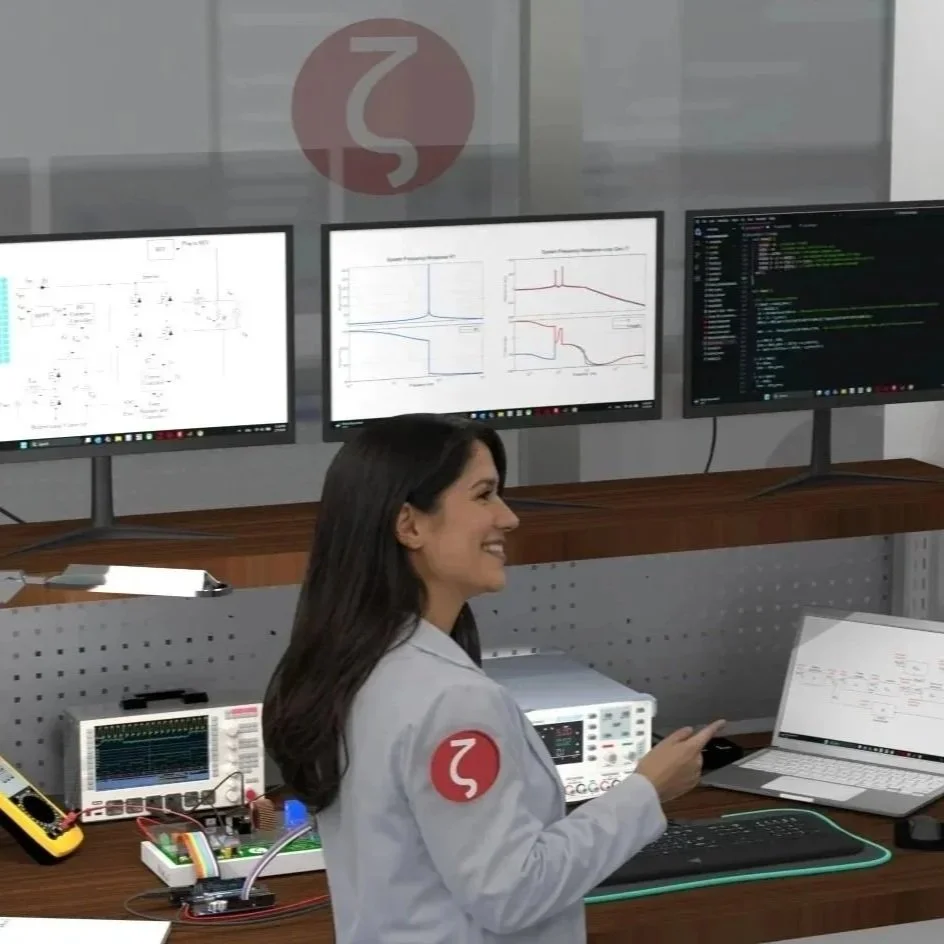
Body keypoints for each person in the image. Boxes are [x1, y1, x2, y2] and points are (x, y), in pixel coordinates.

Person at [263, 413, 726, 943]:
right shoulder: (453, 701)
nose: (508, 519)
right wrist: (647, 790)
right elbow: (512, 894)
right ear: (409, 524)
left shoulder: (353, 666)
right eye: (484, 496)